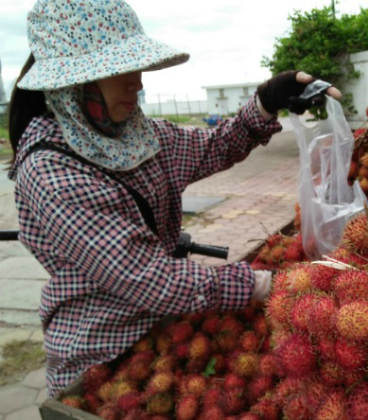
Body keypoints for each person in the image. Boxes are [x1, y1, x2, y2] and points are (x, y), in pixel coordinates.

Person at [8, 0, 341, 397]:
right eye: (119, 71)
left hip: (170, 330)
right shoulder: (50, 171)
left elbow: (216, 145)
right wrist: (263, 285)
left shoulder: (136, 134)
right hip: (103, 358)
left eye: (136, 68)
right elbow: (149, 278)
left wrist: (267, 101)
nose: (138, 83)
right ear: (72, 84)